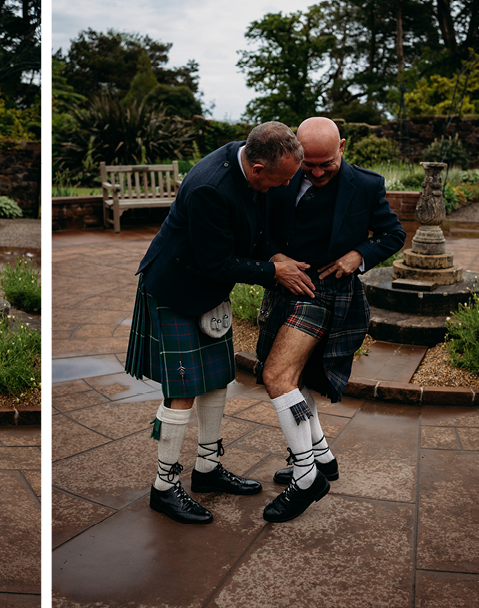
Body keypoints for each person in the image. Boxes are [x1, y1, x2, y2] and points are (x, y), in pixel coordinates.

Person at [125, 121, 316, 525]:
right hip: (176, 288)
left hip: (206, 288)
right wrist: (272, 271)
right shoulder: (210, 187)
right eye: (281, 180)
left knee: (215, 379)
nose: (284, 187)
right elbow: (216, 263)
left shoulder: (248, 160)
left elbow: (256, 228)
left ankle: (207, 468)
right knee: (182, 391)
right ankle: (164, 487)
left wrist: (274, 256)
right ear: (260, 170)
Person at [256, 117, 405, 523]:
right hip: (286, 288)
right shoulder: (282, 174)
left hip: (331, 295)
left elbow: (393, 234)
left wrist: (359, 255)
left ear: (342, 146)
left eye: (327, 164)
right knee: (295, 381)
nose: (318, 173)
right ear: (297, 155)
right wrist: (274, 257)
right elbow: (259, 230)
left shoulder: (367, 185)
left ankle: (306, 477)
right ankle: (322, 458)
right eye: (310, 165)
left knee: (277, 377)